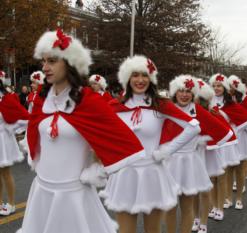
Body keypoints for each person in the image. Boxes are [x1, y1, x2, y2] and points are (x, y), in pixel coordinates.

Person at [18, 29, 147, 233]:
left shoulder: (90, 101)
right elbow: (34, 128)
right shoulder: (43, 99)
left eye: (52, 61)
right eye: (43, 62)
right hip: (42, 190)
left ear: (70, 63)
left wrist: (97, 169)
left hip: (73, 195)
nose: (45, 67)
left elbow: (124, 142)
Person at [100, 55, 201, 233]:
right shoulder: (115, 106)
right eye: (135, 75)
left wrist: (167, 150)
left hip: (152, 173)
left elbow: (193, 127)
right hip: (124, 174)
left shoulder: (160, 104)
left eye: (145, 75)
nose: (140, 80)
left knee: (153, 230)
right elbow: (101, 134)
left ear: (151, 79)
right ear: (127, 78)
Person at [165, 75, 233, 233]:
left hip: (190, 160)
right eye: (181, 90)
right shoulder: (166, 109)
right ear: (175, 92)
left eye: (188, 91)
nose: (184, 94)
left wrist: (202, 140)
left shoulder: (199, 111)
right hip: (169, 162)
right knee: (170, 206)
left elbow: (224, 132)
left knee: (187, 205)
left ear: (193, 93)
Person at [0, 75, 29, 216]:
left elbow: (22, 117)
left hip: (3, 140)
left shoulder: (6, 99)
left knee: (5, 173)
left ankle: (11, 204)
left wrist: (10, 128)